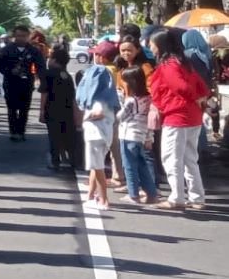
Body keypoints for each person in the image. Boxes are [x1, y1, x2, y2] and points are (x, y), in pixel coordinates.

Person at [149, 28, 211, 211]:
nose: (150, 47)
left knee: (171, 159)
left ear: (160, 45)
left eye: (152, 44)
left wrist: (194, 96)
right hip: (193, 116)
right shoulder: (184, 63)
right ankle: (197, 197)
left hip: (177, 116)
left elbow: (181, 87)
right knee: (190, 158)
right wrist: (200, 98)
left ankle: (177, 198)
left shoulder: (168, 65)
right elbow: (202, 86)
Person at [78, 40, 121, 211]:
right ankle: (91, 196)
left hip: (96, 128)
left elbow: (97, 109)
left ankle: (103, 200)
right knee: (97, 164)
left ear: (101, 57)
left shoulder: (99, 72)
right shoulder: (112, 73)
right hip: (106, 127)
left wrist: (87, 116)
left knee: (97, 165)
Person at [117, 68, 158, 205]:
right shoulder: (148, 99)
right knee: (142, 166)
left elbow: (121, 117)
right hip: (141, 136)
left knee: (129, 166)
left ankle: (133, 195)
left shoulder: (131, 101)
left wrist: (121, 101)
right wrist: (149, 137)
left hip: (128, 135)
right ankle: (151, 194)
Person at [0, 23, 40, 141]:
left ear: (28, 36)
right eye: (18, 36)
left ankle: (21, 131)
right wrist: (10, 71)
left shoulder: (33, 50)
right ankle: (13, 132)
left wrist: (39, 79)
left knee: (24, 108)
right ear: (14, 36)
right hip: (11, 82)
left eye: (24, 36)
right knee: (12, 108)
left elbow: (40, 66)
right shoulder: (6, 50)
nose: (21, 38)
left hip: (27, 83)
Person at [40, 50, 80, 171]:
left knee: (54, 136)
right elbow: (73, 97)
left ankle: (55, 161)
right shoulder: (67, 75)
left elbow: (44, 93)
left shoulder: (48, 74)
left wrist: (41, 111)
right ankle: (72, 159)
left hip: (52, 109)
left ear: (55, 60)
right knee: (68, 134)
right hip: (67, 110)